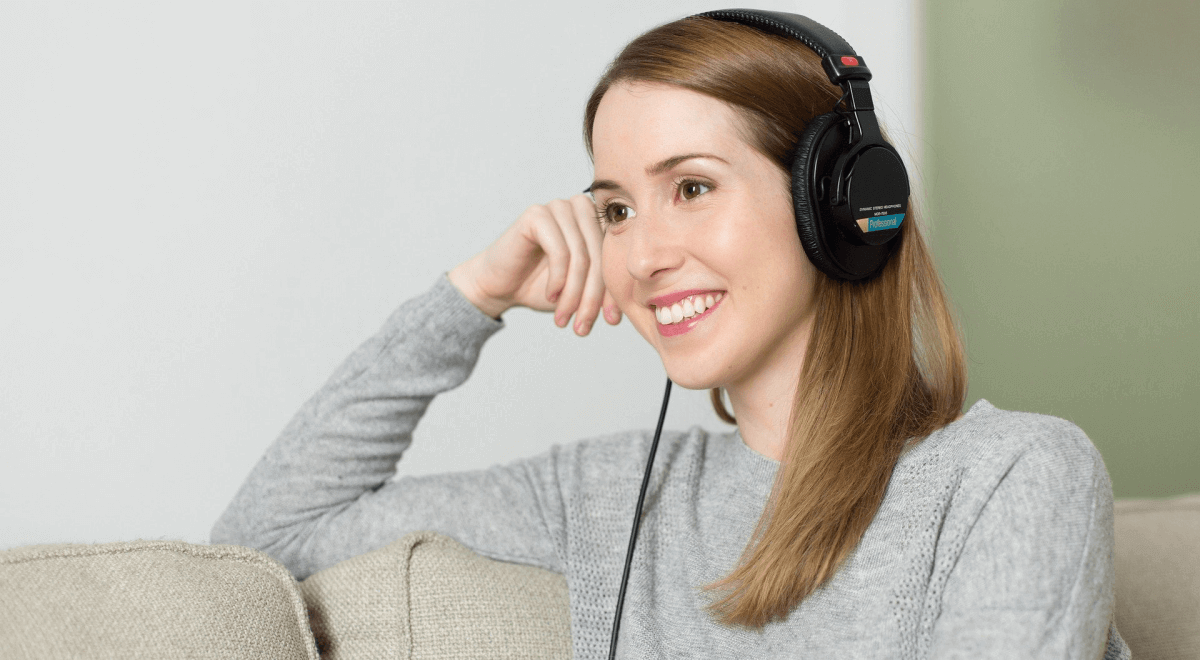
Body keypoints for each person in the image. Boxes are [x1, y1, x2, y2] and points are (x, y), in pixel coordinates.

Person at [212, 11, 1130, 659]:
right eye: (614, 208)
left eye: (691, 187)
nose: (642, 255)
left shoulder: (1014, 476)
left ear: (844, 207)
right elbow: (268, 540)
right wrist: (471, 298)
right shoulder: (613, 496)